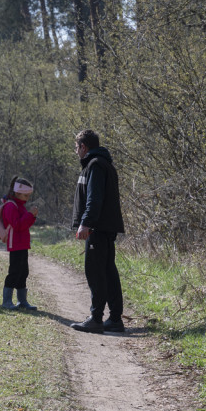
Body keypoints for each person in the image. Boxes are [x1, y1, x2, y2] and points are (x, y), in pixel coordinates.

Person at [70, 129, 125, 334]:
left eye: (77, 148)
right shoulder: (104, 163)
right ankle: (115, 320)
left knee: (96, 273)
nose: (76, 152)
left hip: (98, 228)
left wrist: (86, 223)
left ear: (84, 147)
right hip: (105, 227)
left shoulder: (95, 165)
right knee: (108, 271)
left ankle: (96, 319)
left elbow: (95, 198)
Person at [0, 176, 38, 310]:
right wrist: (30, 215)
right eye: (26, 195)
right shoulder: (10, 206)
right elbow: (17, 225)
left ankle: (22, 301)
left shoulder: (20, 206)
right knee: (14, 271)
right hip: (15, 243)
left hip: (22, 243)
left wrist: (32, 216)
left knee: (23, 271)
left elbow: (25, 225)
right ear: (17, 193)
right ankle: (6, 301)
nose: (28, 197)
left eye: (29, 195)